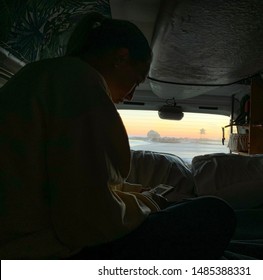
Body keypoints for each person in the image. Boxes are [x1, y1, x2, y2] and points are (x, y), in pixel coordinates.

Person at [0, 12, 235, 260]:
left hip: (22, 239)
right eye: (136, 80)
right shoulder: (79, 83)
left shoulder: (38, 75)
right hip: (41, 248)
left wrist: (135, 195)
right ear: (120, 58)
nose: (131, 95)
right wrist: (149, 202)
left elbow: (67, 183)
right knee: (215, 212)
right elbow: (88, 221)